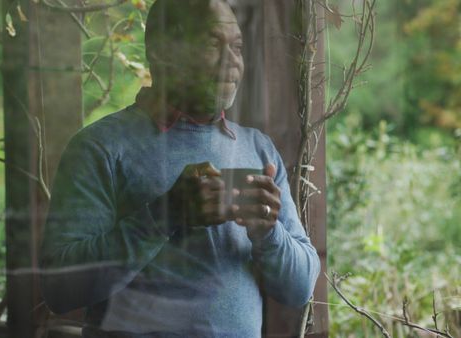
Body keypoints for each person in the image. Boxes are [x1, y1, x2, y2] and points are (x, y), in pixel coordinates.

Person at [40, 0, 321, 336]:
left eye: (238, 47)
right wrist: (165, 215)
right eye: (212, 44)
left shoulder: (258, 149)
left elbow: (300, 287)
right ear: (161, 51)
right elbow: (59, 289)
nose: (232, 63)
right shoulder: (100, 148)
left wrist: (269, 233)